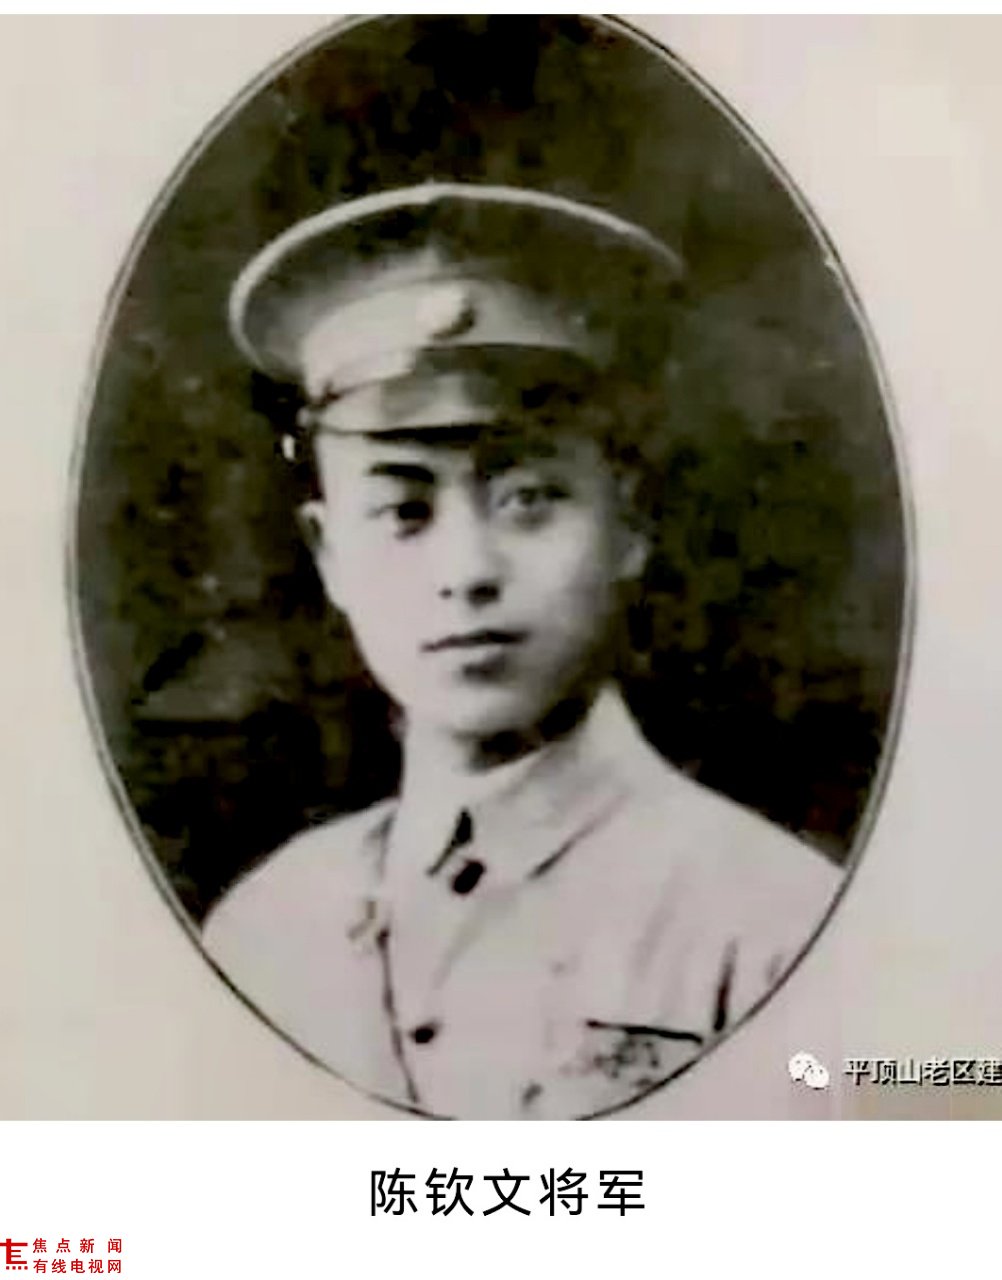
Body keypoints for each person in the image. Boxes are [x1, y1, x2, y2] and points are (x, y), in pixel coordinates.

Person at [203, 182, 841, 1118]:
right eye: (403, 510)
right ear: (328, 554)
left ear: (630, 522)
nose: (467, 572)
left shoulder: (779, 926)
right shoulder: (264, 930)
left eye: (529, 498)